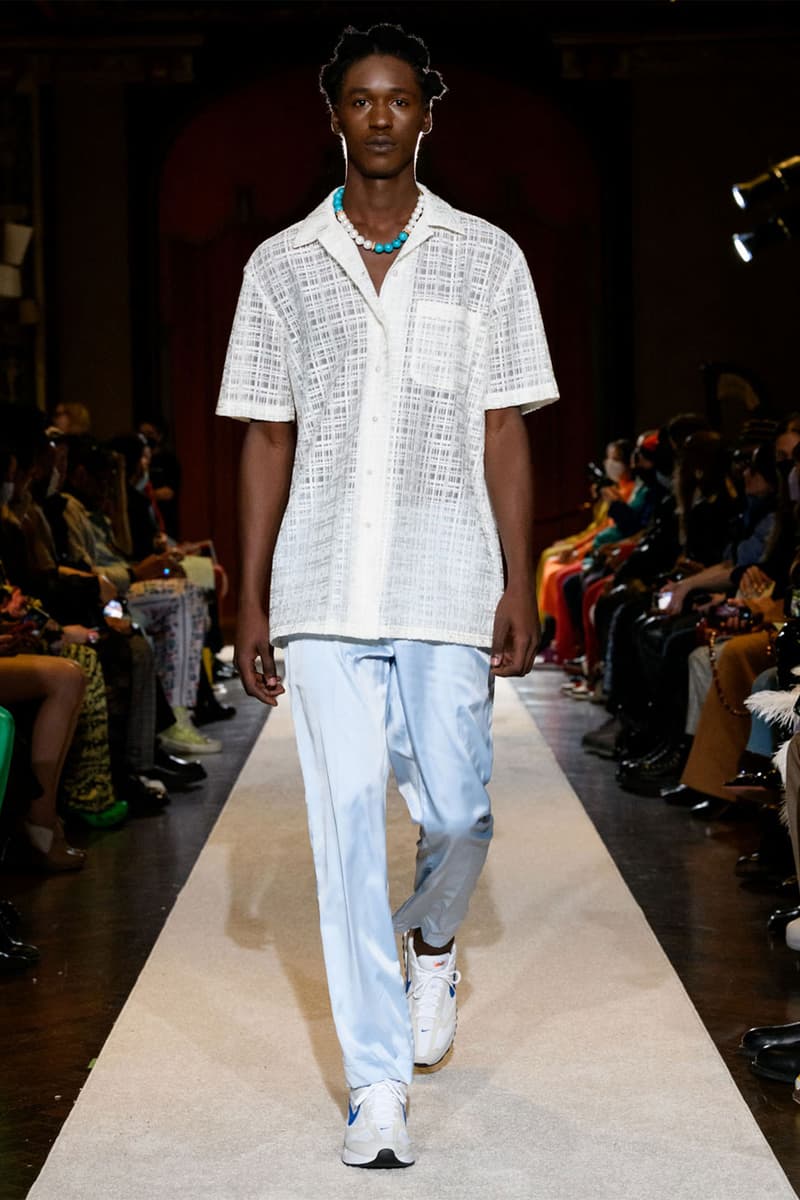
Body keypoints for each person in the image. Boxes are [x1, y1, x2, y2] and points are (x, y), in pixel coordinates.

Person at [217, 23, 558, 1170]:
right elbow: (266, 434)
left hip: (443, 573)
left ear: (426, 113)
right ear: (334, 116)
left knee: (456, 810)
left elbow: (502, 426)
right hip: (320, 581)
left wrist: (518, 578)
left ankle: (435, 945)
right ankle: (375, 1088)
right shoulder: (278, 265)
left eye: (398, 98)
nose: (378, 116)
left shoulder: (486, 257)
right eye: (359, 99)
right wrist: (251, 599)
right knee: (345, 824)